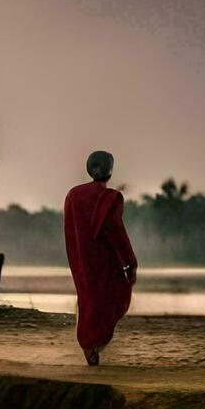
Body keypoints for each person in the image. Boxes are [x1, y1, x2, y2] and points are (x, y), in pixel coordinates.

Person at [64, 150, 137, 365]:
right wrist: (129, 262)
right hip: (104, 261)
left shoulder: (73, 195)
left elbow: (70, 231)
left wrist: (76, 259)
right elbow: (116, 231)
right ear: (110, 171)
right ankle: (94, 343)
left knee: (88, 300)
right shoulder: (112, 197)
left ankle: (88, 345)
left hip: (82, 259)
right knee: (111, 297)